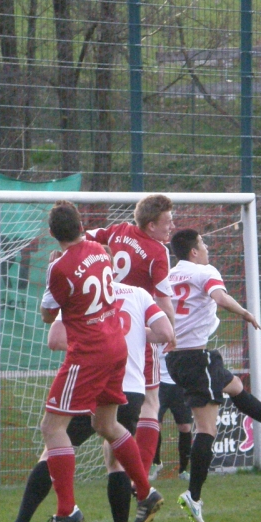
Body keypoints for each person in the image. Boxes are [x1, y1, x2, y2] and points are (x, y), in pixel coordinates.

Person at [0, 282, 173, 522]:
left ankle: (24, 521)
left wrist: (89, 342)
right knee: (115, 459)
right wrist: (131, 334)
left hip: (94, 380)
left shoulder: (82, 291)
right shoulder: (138, 293)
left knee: (54, 442)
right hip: (132, 387)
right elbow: (166, 333)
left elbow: (55, 340)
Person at [33, 201, 163, 522]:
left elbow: (48, 316)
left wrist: (56, 282)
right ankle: (146, 491)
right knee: (106, 424)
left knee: (52, 428)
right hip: (117, 347)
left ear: (52, 233)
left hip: (88, 352)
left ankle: (66, 508)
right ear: (81, 225)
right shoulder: (99, 251)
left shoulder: (59, 267)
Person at [165, 229, 261, 522]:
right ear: (194, 251)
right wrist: (244, 312)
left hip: (176, 358)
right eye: (203, 243)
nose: (207, 248)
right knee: (206, 429)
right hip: (194, 357)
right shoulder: (204, 271)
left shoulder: (168, 276)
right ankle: (193, 496)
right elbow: (220, 297)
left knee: (234, 387)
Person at [86, 194, 177, 475]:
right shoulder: (157, 251)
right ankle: (142, 476)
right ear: (151, 226)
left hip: (103, 329)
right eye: (167, 222)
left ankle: (115, 471)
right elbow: (163, 301)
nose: (172, 227)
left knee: (110, 410)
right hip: (136, 330)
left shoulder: (118, 230)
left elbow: (85, 236)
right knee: (150, 401)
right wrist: (170, 331)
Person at [150, 348, 194, 481]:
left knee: (185, 427)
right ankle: (156, 462)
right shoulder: (154, 337)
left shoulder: (183, 337)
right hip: (158, 383)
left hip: (179, 384)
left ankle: (183, 470)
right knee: (155, 424)